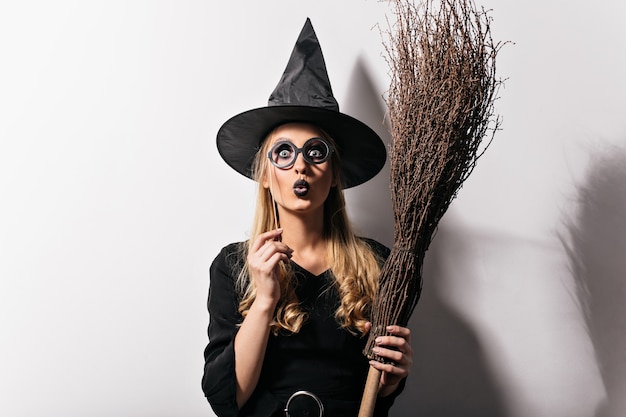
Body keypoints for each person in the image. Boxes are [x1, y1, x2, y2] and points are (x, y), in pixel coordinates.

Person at [203, 19, 413, 417]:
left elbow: (377, 391)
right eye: (283, 153)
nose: (301, 167)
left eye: (316, 152)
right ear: (264, 175)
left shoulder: (380, 264)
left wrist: (390, 382)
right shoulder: (233, 266)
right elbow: (228, 401)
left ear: (335, 174)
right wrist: (265, 297)